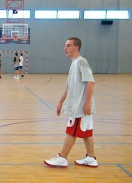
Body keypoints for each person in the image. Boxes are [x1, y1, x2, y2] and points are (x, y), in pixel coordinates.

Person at [44, 37, 98, 168]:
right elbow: (68, 86)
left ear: (76, 48)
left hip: (81, 107)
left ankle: (62, 158)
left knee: (71, 131)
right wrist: (60, 102)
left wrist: (87, 104)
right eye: (65, 45)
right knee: (86, 132)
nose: (65, 48)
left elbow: (90, 82)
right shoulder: (73, 63)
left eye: (68, 45)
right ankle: (91, 157)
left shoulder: (81, 62)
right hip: (77, 106)